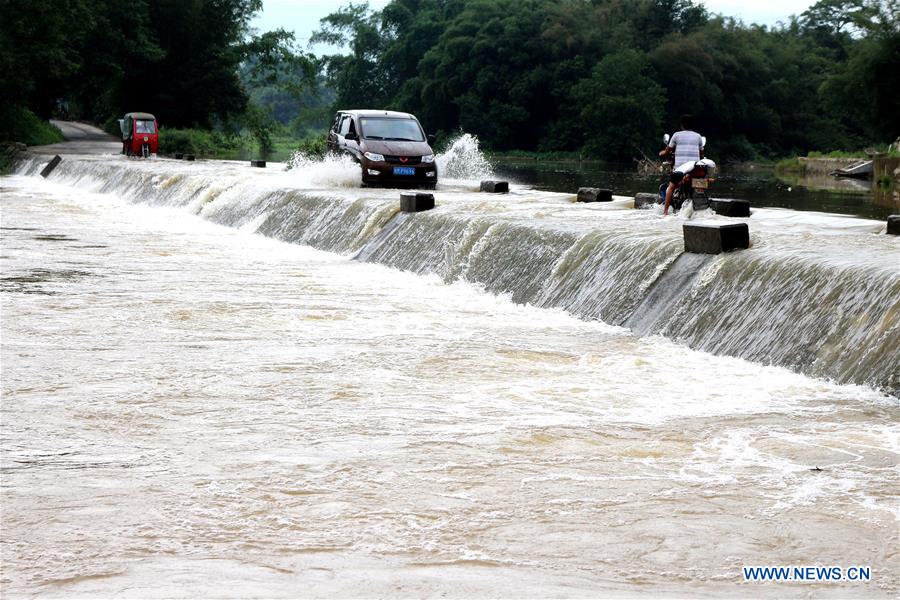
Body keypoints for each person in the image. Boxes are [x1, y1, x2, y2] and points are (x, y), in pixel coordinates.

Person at [659, 115, 705, 215]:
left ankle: (665, 212)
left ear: (681, 125)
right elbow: (701, 154)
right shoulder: (698, 136)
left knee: (671, 187)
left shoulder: (676, 135)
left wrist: (663, 153)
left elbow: (668, 151)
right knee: (701, 183)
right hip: (694, 170)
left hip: (680, 169)